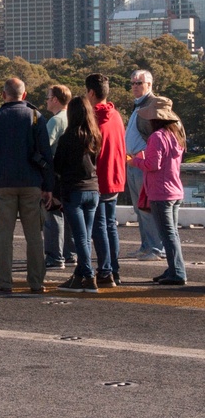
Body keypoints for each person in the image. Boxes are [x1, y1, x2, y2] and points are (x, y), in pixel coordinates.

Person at [0, 77, 55, 294]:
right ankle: (37, 282)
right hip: (32, 184)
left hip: (2, 184)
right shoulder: (35, 117)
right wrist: (48, 186)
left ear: (4, 95)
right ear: (25, 94)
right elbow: (46, 155)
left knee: (3, 236)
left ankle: (4, 281)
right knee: (34, 237)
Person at [128, 96, 188, 286]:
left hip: (161, 192)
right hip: (175, 190)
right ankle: (173, 268)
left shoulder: (157, 136)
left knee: (167, 234)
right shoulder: (175, 135)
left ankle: (177, 272)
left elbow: (153, 164)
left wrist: (134, 161)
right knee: (172, 234)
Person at [54, 97, 102, 293]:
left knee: (79, 238)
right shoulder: (95, 135)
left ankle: (89, 277)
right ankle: (79, 275)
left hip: (74, 191)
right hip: (93, 190)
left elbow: (58, 166)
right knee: (86, 236)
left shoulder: (68, 137)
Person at [85, 73, 127, 287]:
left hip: (98, 179)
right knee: (110, 226)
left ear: (91, 93)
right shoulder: (116, 116)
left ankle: (105, 270)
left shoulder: (93, 119)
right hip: (116, 177)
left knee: (98, 227)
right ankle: (114, 269)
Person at [125, 70, 166, 260]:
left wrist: (144, 156)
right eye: (132, 83)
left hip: (143, 164)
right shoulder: (137, 106)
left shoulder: (153, 105)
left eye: (139, 83)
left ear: (149, 84)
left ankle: (156, 248)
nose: (134, 86)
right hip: (132, 162)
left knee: (148, 208)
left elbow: (157, 136)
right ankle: (145, 245)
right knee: (140, 208)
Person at [42, 85, 75, 269]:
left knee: (53, 215)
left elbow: (45, 148)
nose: (46, 100)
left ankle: (55, 256)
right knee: (69, 215)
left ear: (55, 99)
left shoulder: (55, 121)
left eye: (48, 97)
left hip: (55, 175)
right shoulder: (73, 118)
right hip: (71, 174)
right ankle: (70, 253)